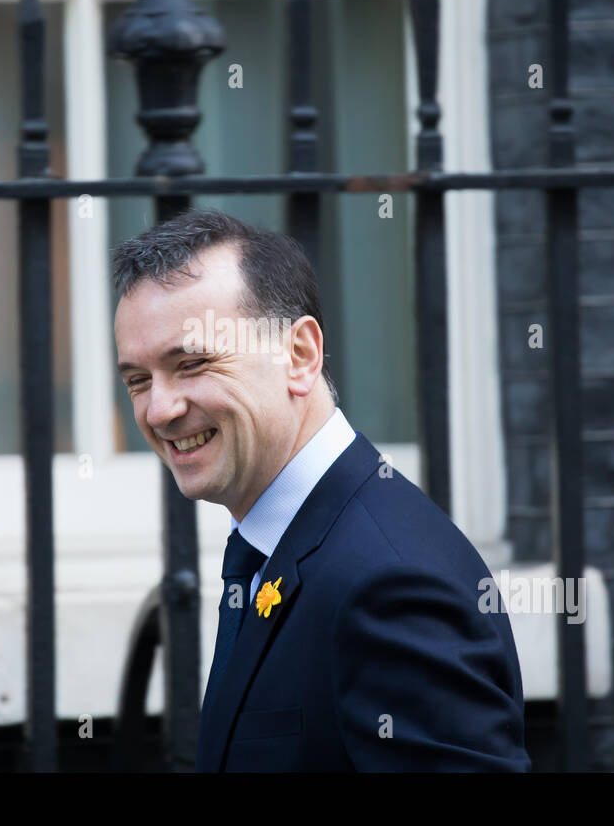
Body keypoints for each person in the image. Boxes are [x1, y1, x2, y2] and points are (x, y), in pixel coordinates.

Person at [112, 208, 530, 772]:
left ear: (300, 356)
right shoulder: (288, 543)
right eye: (138, 380)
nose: (160, 410)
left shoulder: (392, 584)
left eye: (192, 363)